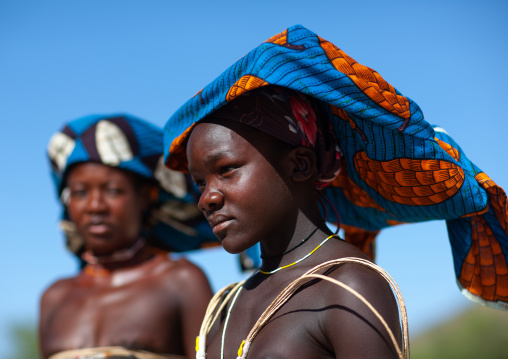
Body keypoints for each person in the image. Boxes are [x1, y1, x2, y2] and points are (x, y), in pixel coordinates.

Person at [162, 25, 508, 358]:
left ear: (300, 165)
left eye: (226, 170)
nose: (207, 198)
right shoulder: (225, 306)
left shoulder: (347, 285)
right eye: (200, 183)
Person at [40, 114, 218, 359]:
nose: (95, 206)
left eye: (112, 190)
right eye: (80, 193)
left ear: (145, 197)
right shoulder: (54, 297)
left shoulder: (181, 281)